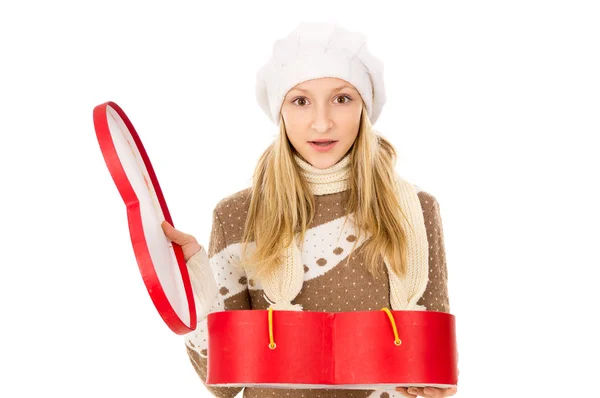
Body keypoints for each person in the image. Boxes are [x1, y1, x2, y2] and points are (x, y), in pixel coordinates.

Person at [161, 21, 458, 398]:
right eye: (300, 101)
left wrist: (436, 384)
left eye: (342, 98)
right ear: (280, 111)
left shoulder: (415, 210)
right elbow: (222, 380)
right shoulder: (238, 216)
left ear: (364, 108)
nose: (321, 122)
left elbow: (433, 370)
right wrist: (195, 284)